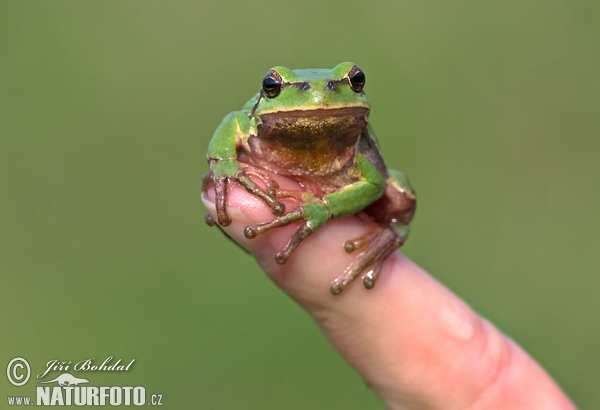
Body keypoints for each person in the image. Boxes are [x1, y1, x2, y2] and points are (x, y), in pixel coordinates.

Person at [202, 173, 575, 409]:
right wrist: (222, 164)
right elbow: (231, 130)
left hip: (343, 184)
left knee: (399, 192)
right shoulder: (249, 125)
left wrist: (325, 207)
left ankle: (385, 235)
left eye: (354, 81)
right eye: (272, 88)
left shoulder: (352, 138)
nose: (317, 99)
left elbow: (375, 184)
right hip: (268, 180)